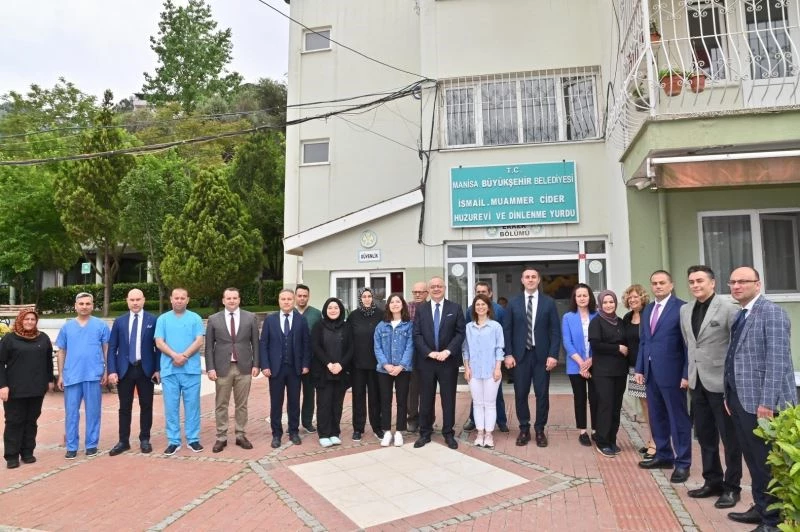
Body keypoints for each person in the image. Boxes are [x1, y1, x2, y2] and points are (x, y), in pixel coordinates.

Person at [724, 267, 795, 531]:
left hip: (762, 404)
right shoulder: (740, 315)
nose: (737, 286)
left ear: (758, 284)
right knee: (753, 459)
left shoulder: (772, 313)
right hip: (740, 400)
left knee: (766, 462)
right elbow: (735, 357)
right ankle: (761, 507)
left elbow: (778, 361)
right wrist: (728, 393)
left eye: (743, 281)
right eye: (733, 282)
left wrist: (767, 403)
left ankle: (773, 521)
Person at [678, 266, 742, 508]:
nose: (695, 285)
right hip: (697, 383)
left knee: (729, 439)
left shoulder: (728, 308)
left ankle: (732, 488)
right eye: (691, 281)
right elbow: (690, 344)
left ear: (712, 283)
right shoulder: (685, 310)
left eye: (700, 281)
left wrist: (731, 381)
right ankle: (712, 481)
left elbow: (736, 345)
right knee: (705, 436)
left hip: (721, 383)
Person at [634, 270, 691, 483]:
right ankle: (664, 455)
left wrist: (686, 373)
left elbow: (688, 345)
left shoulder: (682, 308)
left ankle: (682, 463)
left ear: (671, 285)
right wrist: (639, 369)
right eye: (654, 283)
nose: (658, 286)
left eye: (662, 283)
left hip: (673, 374)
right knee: (657, 416)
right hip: (651, 374)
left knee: (678, 419)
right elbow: (644, 341)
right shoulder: (648, 309)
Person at [503, 266, 561, 447]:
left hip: (542, 356)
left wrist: (553, 355)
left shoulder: (549, 303)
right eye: (527, 277)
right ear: (522, 280)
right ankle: (524, 429)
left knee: (542, 394)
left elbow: (555, 331)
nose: (530, 279)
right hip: (520, 357)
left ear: (538, 280)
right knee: (521, 394)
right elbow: (507, 331)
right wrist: (508, 354)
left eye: (533, 277)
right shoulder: (513, 303)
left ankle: (540, 430)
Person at [205, 288, 261, 453]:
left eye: (235, 298)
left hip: (244, 367)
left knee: (241, 404)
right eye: (228, 298)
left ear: (239, 299)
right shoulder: (214, 319)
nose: (232, 301)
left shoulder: (250, 317)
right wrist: (210, 368)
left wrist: (256, 364)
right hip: (222, 368)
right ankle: (221, 437)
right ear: (223, 300)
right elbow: (208, 346)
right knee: (221, 404)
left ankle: (240, 435)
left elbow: (256, 343)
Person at [55, 292, 110, 459]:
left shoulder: (101, 325)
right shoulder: (67, 327)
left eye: (88, 303)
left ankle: (91, 444)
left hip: (93, 374)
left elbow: (106, 349)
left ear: (92, 306)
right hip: (72, 375)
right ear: (75, 306)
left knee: (93, 412)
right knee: (71, 413)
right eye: (81, 304)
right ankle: (71, 446)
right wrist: (61, 375)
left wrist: (106, 370)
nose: (84, 306)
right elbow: (61, 351)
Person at [413, 276, 465, 450]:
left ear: (444, 288)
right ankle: (425, 433)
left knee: (448, 399)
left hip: (447, 362)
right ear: (429, 290)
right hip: (427, 361)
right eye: (433, 286)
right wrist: (429, 352)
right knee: (425, 399)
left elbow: (460, 333)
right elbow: (417, 334)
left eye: (439, 286)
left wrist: (447, 351)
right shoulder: (421, 309)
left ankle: (448, 433)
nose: (436, 289)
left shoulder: (455, 308)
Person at [107, 289, 159, 456]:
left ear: (143, 300)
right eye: (132, 300)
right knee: (124, 407)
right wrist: (112, 370)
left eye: (138, 299)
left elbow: (158, 347)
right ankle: (123, 441)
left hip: (146, 370)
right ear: (127, 301)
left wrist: (158, 369)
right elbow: (112, 347)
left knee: (146, 405)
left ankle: (145, 439)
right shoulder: (119, 321)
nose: (135, 303)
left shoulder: (153, 320)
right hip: (125, 370)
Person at [155, 288, 205, 456]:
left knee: (193, 406)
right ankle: (173, 441)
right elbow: (159, 342)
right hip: (170, 370)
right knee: (171, 407)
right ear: (171, 299)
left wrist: (184, 356)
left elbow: (199, 340)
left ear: (187, 300)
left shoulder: (195, 318)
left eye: (182, 298)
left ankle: (193, 439)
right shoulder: (163, 319)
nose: (179, 300)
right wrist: (174, 356)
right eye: (176, 298)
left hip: (191, 370)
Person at [0, 309, 53, 468]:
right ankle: (12, 456)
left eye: (33, 319)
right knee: (14, 421)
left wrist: (50, 380)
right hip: (14, 389)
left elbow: (48, 361)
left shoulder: (43, 338)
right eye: (26, 319)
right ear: (20, 320)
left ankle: (27, 452)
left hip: (37, 388)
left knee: (31, 421)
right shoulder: (9, 339)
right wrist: (2, 385)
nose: (30, 322)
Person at [260, 289, 311, 449]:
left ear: (293, 300)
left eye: (289, 299)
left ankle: (294, 432)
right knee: (276, 403)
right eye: (283, 299)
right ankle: (276, 434)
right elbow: (264, 344)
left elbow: (306, 344)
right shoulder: (270, 320)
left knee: (294, 402)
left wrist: (305, 364)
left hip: (295, 368)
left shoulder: (301, 320)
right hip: (276, 369)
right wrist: (265, 365)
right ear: (279, 301)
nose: (286, 302)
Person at [463, 281, 509, 433]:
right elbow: (467, 337)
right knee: (476, 395)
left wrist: (502, 359)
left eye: (484, 291)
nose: (481, 294)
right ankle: (474, 420)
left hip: (492, 360)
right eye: (478, 292)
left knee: (496, 393)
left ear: (490, 293)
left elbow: (503, 334)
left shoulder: (499, 310)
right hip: (476, 361)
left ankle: (501, 421)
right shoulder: (470, 310)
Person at [588, 290, 629, 458]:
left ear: (615, 303)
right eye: (605, 302)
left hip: (620, 371)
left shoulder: (621, 322)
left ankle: (612, 439)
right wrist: (617, 348)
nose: (608, 305)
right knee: (606, 405)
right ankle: (602, 441)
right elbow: (596, 345)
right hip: (603, 372)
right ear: (600, 304)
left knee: (616, 407)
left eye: (611, 302)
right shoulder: (596, 322)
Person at [311, 297, 353, 448]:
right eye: (330, 308)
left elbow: (351, 348)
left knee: (337, 404)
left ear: (340, 310)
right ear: (325, 310)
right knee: (324, 404)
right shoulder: (318, 326)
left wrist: (341, 365)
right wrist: (328, 364)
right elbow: (316, 347)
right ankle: (324, 434)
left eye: (336, 307)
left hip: (341, 372)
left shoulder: (347, 326)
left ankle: (335, 433)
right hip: (323, 372)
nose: (333, 310)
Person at [374, 294, 414, 447]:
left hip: (403, 369)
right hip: (384, 370)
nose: (395, 304)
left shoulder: (408, 325)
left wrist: (401, 365)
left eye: (398, 302)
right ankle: (386, 432)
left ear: (402, 305)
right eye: (392, 302)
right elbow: (377, 347)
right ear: (388, 305)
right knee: (385, 401)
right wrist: (385, 364)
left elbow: (410, 346)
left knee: (402, 401)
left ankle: (399, 432)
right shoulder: (381, 326)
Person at [562, 283, 598, 447]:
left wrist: (591, 361)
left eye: (585, 295)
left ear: (590, 297)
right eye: (579, 295)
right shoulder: (568, 317)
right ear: (574, 298)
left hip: (595, 364)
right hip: (575, 365)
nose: (582, 298)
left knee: (596, 398)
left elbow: (601, 341)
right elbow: (567, 342)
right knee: (580, 398)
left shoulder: (598, 315)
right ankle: (583, 431)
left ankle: (596, 430)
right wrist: (582, 364)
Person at [621, 284, 653, 459]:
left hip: (649, 367)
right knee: (644, 406)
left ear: (642, 298)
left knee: (653, 405)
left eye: (636, 296)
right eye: (630, 297)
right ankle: (651, 440)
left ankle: (656, 443)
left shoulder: (649, 314)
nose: (632, 300)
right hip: (634, 368)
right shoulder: (627, 317)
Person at [348, 287, 383, 441]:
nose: (367, 299)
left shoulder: (381, 314)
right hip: (357, 364)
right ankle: (358, 428)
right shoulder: (353, 316)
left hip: (376, 364)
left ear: (373, 298)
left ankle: (377, 427)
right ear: (360, 299)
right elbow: (349, 339)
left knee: (376, 397)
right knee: (358, 397)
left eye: (369, 296)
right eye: (364, 296)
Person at [295, 284, 321, 433]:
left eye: (305, 296)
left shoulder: (316, 314)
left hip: (311, 361)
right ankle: (293, 422)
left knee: (309, 393)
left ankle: (307, 422)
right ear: (295, 296)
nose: (302, 298)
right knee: (293, 394)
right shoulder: (289, 312)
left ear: (308, 297)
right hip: (292, 361)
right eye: (299, 295)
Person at [405, 281, 428, 433]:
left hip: (428, 354)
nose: (418, 294)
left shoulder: (431, 307)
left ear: (427, 293)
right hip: (412, 354)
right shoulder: (407, 308)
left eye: (421, 292)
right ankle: (412, 419)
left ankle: (427, 419)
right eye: (415, 292)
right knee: (412, 389)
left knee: (428, 388)